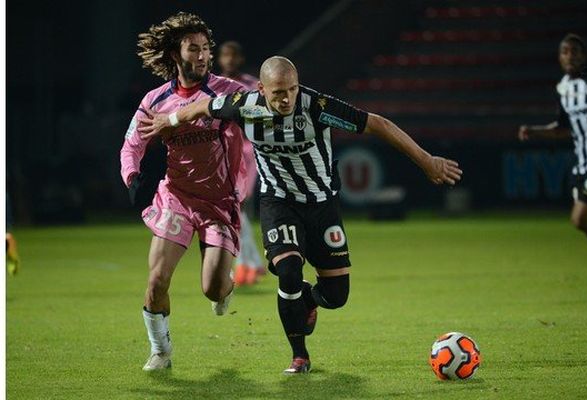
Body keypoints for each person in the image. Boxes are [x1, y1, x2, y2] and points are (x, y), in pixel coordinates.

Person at [138, 56, 462, 374]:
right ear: (262, 91)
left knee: (336, 296)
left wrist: (426, 160)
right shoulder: (243, 104)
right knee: (288, 272)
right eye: (278, 92)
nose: (286, 98)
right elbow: (203, 107)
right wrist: (171, 120)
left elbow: (377, 123)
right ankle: (299, 356)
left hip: (322, 205)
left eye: (291, 89)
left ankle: (309, 299)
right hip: (278, 203)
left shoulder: (317, 107)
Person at [120, 12, 249, 372]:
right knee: (157, 279)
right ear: (176, 55)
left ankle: (224, 286)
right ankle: (160, 349)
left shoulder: (229, 92)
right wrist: (132, 177)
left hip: (219, 201)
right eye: (194, 49)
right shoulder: (155, 99)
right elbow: (132, 145)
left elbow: (254, 113)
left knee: (212, 289)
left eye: (206, 48)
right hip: (176, 197)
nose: (203, 55)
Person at [518, 33, 587, 242]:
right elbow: (563, 128)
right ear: (559, 57)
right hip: (583, 166)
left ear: (585, 56)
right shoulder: (564, 89)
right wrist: (534, 131)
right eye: (565, 52)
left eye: (574, 52)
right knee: (586, 224)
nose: (569, 57)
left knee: (579, 218)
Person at [217, 41, 265, 286]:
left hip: (247, 150)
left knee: (240, 204)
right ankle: (251, 263)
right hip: (221, 151)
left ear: (241, 58)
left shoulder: (252, 84)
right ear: (220, 58)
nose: (230, 59)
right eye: (226, 55)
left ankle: (247, 264)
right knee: (234, 207)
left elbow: (264, 112)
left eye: (234, 55)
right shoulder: (213, 84)